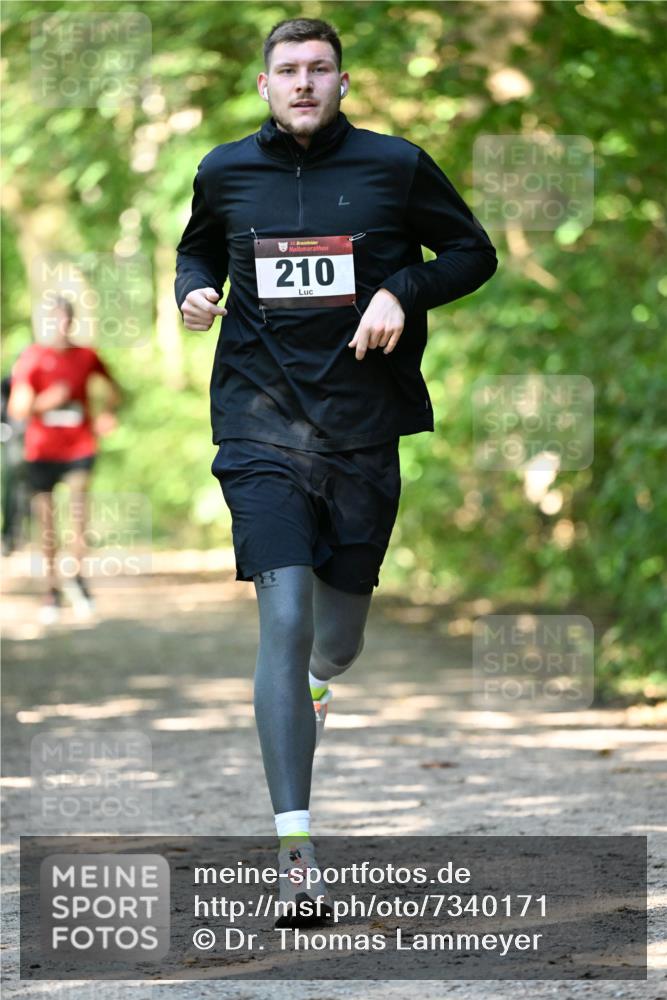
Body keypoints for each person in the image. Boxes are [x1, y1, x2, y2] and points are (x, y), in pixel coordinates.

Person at [175, 17, 497, 925]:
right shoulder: (224, 170)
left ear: (344, 83)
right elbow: (197, 247)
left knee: (336, 641)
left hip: (362, 428)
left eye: (320, 70)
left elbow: (474, 252)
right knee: (283, 613)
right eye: (288, 71)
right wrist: (190, 289)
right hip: (256, 421)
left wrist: (403, 288)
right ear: (265, 85)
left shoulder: (395, 167)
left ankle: (320, 682)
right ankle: (296, 855)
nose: (304, 83)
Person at [7, 295, 121, 623]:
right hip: (42, 450)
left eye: (63, 319)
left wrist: (106, 415)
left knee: (78, 511)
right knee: (47, 523)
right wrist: (46, 401)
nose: (58, 325)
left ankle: (78, 577)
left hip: (79, 447)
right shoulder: (32, 358)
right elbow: (17, 409)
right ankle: (51, 588)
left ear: (71, 321)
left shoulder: (86, 355)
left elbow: (112, 388)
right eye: (52, 319)